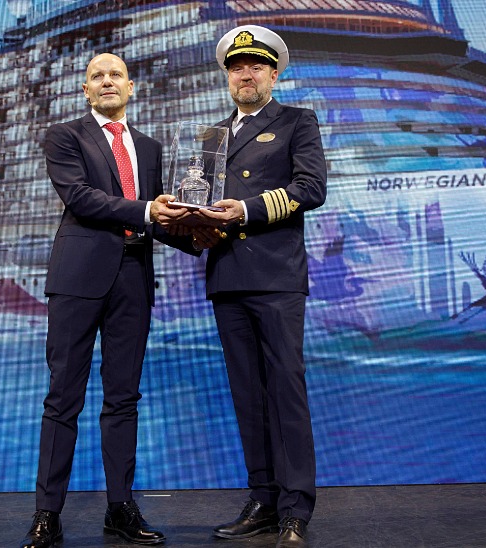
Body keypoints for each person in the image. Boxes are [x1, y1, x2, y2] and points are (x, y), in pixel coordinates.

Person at [21, 52, 196, 548]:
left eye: (115, 74)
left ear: (131, 87)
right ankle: (46, 513)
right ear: (85, 90)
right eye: (97, 76)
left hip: (134, 279)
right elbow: (79, 198)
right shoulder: (65, 136)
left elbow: (162, 217)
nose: (106, 82)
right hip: (78, 279)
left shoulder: (151, 147)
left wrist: (204, 233)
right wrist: (148, 210)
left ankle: (120, 508)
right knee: (63, 398)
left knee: (123, 398)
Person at [193, 25, 327, 548]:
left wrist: (245, 209)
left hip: (275, 277)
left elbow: (311, 188)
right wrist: (187, 223)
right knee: (247, 396)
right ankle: (263, 499)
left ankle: (296, 507)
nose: (244, 75)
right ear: (228, 75)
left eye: (255, 66)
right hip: (226, 277)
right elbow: (200, 200)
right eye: (236, 67)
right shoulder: (209, 137)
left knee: (285, 392)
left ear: (275, 73)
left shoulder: (297, 122)